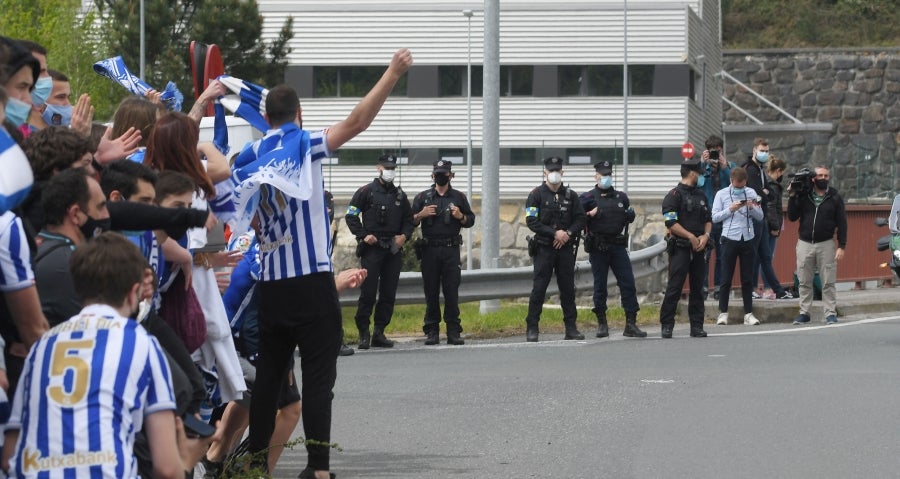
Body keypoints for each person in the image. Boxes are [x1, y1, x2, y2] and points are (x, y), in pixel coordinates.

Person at [240, 48, 412, 479]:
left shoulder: (250, 155)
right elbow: (356, 122)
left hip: (272, 284)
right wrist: (391, 73)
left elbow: (223, 182)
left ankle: (256, 465)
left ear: (266, 117)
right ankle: (317, 469)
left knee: (268, 382)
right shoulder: (305, 142)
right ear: (298, 112)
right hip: (312, 282)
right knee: (318, 381)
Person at [2, 232, 208, 479]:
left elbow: (9, 455)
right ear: (134, 292)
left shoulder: (41, 345)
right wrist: (186, 460)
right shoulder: (141, 342)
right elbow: (166, 469)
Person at [345, 154, 414, 349]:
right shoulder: (365, 191)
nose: (389, 171)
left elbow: (409, 221)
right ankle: (363, 333)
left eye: (392, 168)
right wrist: (363, 235)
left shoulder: (400, 195)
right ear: (378, 168)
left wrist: (404, 237)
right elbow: (351, 215)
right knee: (368, 293)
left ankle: (379, 332)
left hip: (392, 249)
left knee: (388, 293)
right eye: (386, 167)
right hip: (372, 249)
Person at [33, 168, 109, 327]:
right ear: (75, 214)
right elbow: (102, 329)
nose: (106, 215)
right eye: (101, 207)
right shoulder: (69, 264)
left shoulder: (40, 243)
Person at [411, 160, 475, 345]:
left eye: (444, 173)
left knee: (451, 291)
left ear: (451, 175)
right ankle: (432, 330)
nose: (441, 176)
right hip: (429, 250)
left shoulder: (459, 197)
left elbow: (470, 220)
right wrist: (421, 215)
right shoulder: (422, 197)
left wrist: (460, 216)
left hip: (450, 249)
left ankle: (453, 330)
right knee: (431, 292)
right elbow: (410, 221)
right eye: (438, 173)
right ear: (432, 176)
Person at [579, 160, 645, 338]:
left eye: (608, 175)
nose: (606, 178)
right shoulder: (587, 197)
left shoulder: (621, 197)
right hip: (598, 247)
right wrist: (588, 215)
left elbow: (628, 214)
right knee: (600, 286)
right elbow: (576, 218)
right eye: (603, 175)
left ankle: (630, 324)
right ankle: (602, 323)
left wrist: (630, 215)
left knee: (628, 283)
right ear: (596, 176)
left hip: (618, 246)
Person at [523, 156, 586, 342]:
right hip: (544, 248)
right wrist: (554, 234)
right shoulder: (536, 194)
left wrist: (567, 233)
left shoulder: (571, 195)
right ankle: (532, 328)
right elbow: (531, 221)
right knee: (539, 288)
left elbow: (581, 219)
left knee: (567, 288)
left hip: (565, 248)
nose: (554, 174)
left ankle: (571, 328)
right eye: (551, 171)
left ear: (562, 173)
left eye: (557, 171)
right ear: (545, 173)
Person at [659, 157, 712, 338]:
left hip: (699, 247)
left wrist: (705, 236)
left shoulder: (701, 195)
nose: (700, 177)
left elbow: (708, 220)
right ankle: (667, 325)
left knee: (698, 288)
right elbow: (671, 223)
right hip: (681, 247)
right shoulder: (674, 195)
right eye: (699, 173)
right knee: (675, 286)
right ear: (691, 173)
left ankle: (696, 325)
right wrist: (690, 236)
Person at [787, 165, 847, 325]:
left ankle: (830, 313)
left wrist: (842, 245)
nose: (823, 178)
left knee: (828, 281)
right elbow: (792, 216)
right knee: (804, 280)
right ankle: (804, 312)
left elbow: (842, 222)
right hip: (805, 243)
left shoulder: (834, 196)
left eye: (826, 176)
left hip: (826, 244)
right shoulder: (804, 195)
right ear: (813, 178)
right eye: (820, 175)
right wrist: (793, 195)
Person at [711, 168, 763, 326]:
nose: (740, 189)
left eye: (742, 186)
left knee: (747, 278)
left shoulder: (752, 193)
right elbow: (714, 217)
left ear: (745, 182)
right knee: (726, 278)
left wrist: (751, 207)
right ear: (732, 181)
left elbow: (760, 217)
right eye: (737, 186)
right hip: (729, 238)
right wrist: (730, 209)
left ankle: (748, 313)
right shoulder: (721, 194)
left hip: (748, 237)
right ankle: (723, 313)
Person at [743, 138, 792, 300]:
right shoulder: (750, 169)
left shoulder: (760, 170)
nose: (764, 153)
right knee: (755, 256)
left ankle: (778, 290)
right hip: (753, 218)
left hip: (761, 218)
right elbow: (756, 192)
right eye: (761, 150)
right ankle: (750, 288)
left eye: (766, 151)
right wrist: (763, 193)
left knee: (764, 256)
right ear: (754, 150)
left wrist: (764, 193)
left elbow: (767, 193)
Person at [699, 135, 734, 300]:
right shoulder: (703, 168)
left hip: (724, 217)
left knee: (722, 255)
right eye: (712, 152)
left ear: (722, 151)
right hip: (707, 218)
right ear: (707, 151)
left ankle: (720, 287)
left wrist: (725, 166)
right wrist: (702, 164)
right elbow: (696, 183)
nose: (715, 156)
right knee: (705, 256)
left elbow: (735, 183)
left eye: (717, 152)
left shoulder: (728, 166)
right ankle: (703, 287)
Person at [762, 155, 787, 299]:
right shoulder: (773, 185)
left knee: (766, 258)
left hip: (767, 224)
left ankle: (768, 287)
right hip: (770, 225)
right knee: (767, 258)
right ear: (779, 170)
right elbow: (771, 207)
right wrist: (775, 226)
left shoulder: (767, 182)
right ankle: (767, 288)